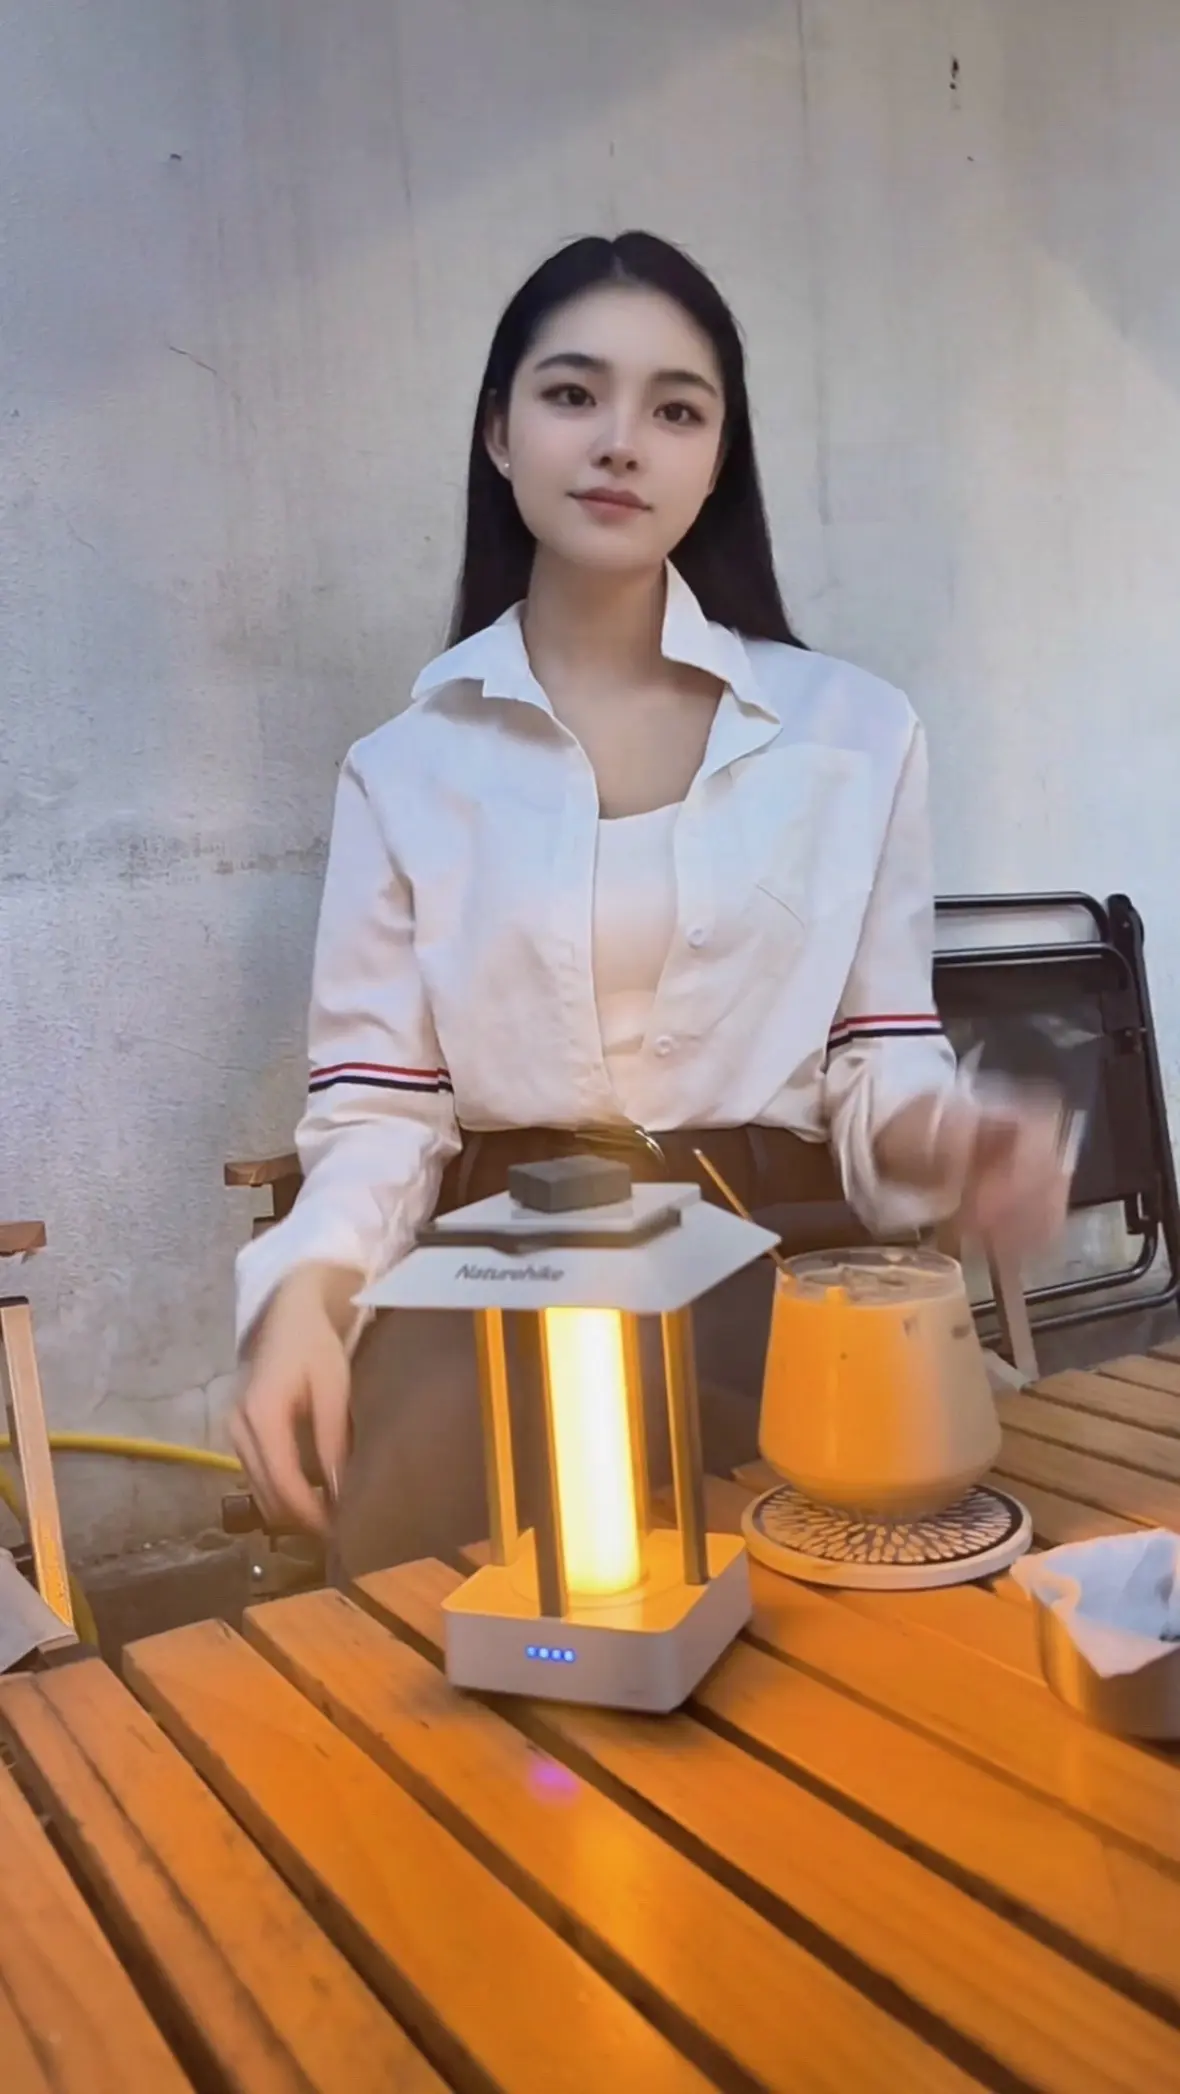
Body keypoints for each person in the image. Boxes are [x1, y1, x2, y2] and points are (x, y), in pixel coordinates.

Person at [231, 230, 1072, 1572]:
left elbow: (879, 1057)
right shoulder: (407, 765)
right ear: (498, 433)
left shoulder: (854, 733)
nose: (621, 443)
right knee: (440, 1627)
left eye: (676, 410)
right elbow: (379, 1110)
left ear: (719, 456)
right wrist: (305, 1300)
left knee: (833, 1642)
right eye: (573, 394)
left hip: (778, 1281)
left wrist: (956, 1144)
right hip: (492, 1287)